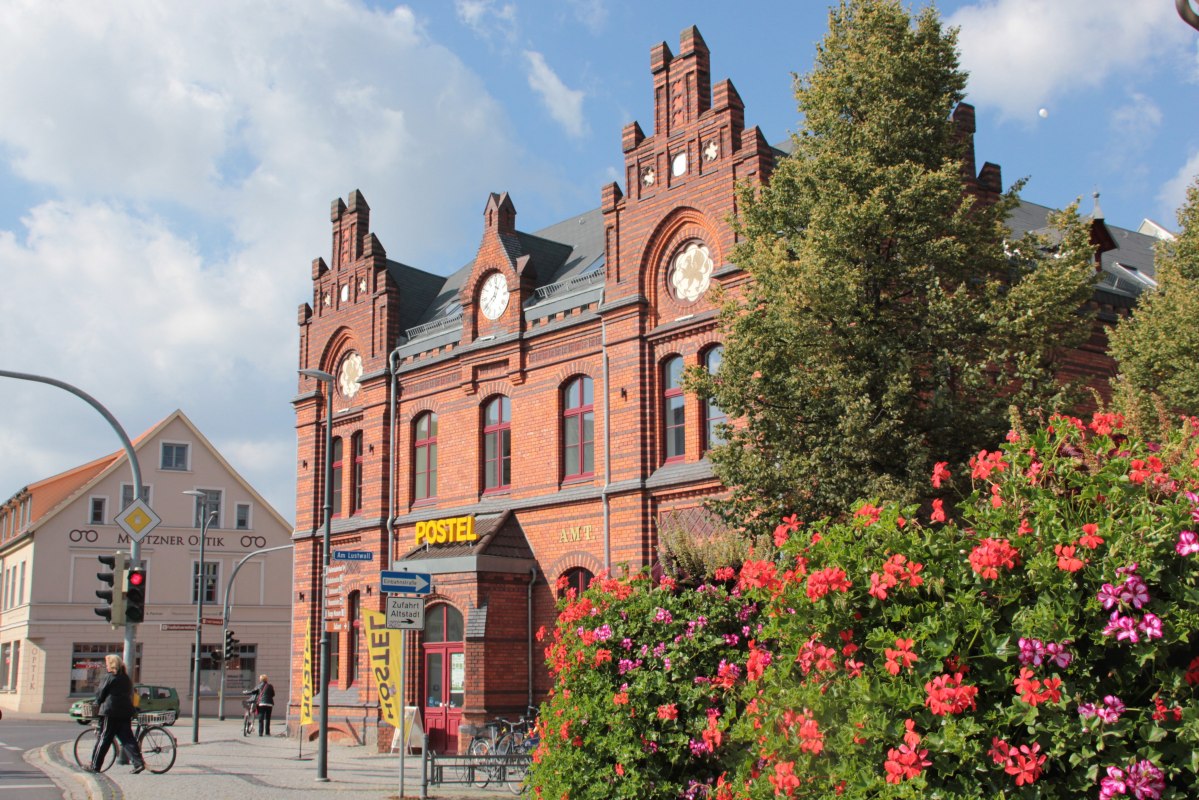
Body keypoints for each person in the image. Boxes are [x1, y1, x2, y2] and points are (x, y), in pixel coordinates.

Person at [89, 654, 145, 774]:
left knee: (104, 739)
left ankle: (94, 766)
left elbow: (100, 693)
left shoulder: (109, 677)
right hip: (125, 712)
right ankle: (139, 763)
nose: (106, 666)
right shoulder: (126, 678)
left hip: (110, 712)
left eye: (107, 664)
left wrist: (96, 703)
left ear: (112, 665)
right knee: (127, 739)